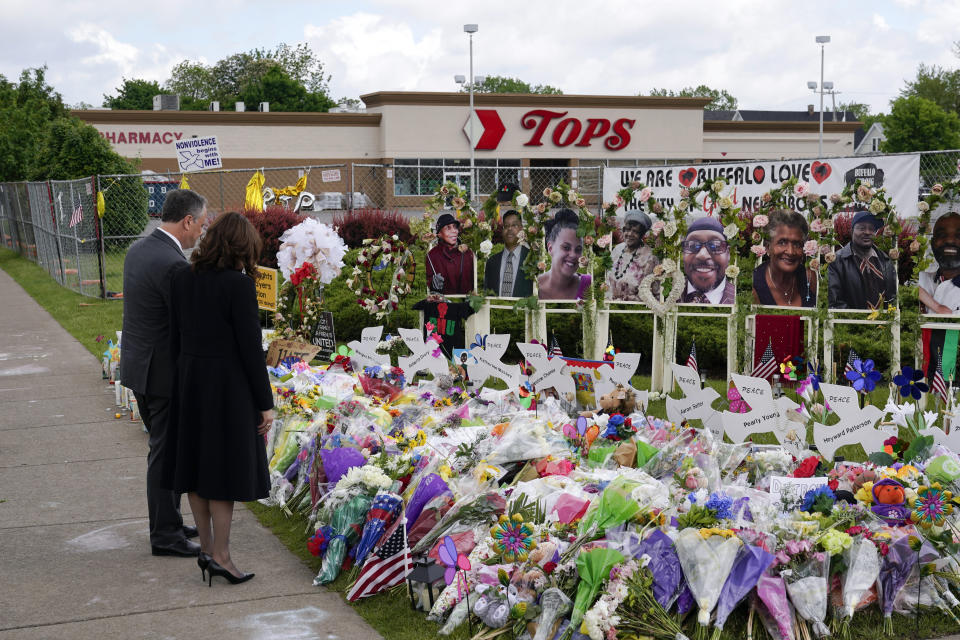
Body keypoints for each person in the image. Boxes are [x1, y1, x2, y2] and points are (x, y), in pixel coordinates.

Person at [164, 212, 274, 586]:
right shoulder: (237, 285)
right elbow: (250, 350)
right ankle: (222, 556)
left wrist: (182, 377)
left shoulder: (183, 277)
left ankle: (208, 549)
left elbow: (175, 337)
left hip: (191, 381)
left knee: (196, 467)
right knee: (223, 471)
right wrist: (265, 402)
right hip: (227, 388)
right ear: (241, 247)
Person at [121, 189, 207, 558]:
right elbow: (187, 324)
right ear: (187, 221)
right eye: (200, 226)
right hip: (163, 374)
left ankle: (169, 519)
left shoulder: (139, 249)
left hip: (141, 367)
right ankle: (165, 534)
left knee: (165, 450)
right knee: (166, 455)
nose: (200, 234)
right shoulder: (172, 264)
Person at [827, 210, 897, 309]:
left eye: (871, 229)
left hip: (883, 322)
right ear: (851, 231)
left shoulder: (885, 260)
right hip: (850, 322)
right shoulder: (838, 261)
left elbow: (893, 297)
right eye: (862, 228)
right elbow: (835, 300)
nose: (867, 232)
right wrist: (858, 321)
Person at [752, 208, 817, 307]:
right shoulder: (753, 284)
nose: (790, 252)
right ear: (768, 247)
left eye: (797, 244)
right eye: (782, 242)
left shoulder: (810, 279)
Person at [606, 209, 659, 301]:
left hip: (637, 309)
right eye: (627, 230)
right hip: (613, 306)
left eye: (635, 231)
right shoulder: (617, 250)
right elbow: (607, 279)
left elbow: (655, 290)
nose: (630, 234)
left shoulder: (650, 256)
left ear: (642, 235)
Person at [680, 217, 735, 304]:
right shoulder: (663, 298)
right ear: (683, 253)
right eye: (693, 245)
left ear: (728, 254)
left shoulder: (741, 300)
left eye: (715, 245)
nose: (703, 255)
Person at [538, 208, 591, 300]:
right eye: (566, 247)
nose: (573, 255)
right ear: (550, 248)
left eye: (578, 250)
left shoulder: (589, 284)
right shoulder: (534, 285)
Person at [484, 209, 533, 297]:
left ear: (521, 229)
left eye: (514, 225)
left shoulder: (532, 259)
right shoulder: (492, 262)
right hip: (497, 309)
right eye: (506, 226)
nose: (510, 229)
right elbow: (487, 293)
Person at [919, 212, 960, 314]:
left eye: (959, 235)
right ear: (932, 244)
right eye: (942, 235)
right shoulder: (920, 278)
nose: (950, 240)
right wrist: (937, 306)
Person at [425, 213, 474, 295]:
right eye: (448, 228)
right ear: (439, 234)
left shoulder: (468, 253)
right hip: (443, 305)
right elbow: (427, 281)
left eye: (455, 227)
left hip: (466, 304)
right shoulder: (432, 255)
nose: (454, 231)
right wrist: (433, 283)